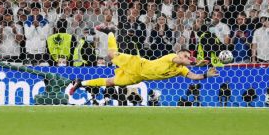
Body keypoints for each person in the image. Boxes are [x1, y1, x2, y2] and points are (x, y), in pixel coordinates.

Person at [69, 33, 217, 95]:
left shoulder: (181, 70)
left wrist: (205, 74)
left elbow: (194, 76)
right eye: (185, 55)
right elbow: (183, 61)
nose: (186, 57)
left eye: (188, 56)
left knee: (110, 82)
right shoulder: (172, 57)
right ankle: (110, 32)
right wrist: (196, 62)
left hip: (138, 77)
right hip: (137, 64)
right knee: (110, 54)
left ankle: (80, 83)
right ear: (179, 54)